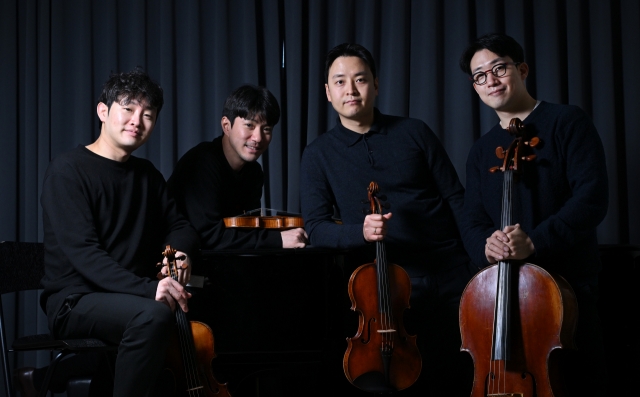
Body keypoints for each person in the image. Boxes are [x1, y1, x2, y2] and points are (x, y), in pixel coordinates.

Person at [300, 43, 476, 396]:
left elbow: (456, 198)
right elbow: (316, 228)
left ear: (376, 85)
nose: (350, 90)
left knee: (459, 377)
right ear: (327, 92)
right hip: (385, 292)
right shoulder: (318, 155)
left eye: (360, 79)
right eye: (340, 82)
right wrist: (359, 232)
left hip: (450, 275)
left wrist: (480, 264)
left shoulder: (415, 132)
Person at [31, 67, 199, 397]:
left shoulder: (147, 175)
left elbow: (180, 225)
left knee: (199, 306)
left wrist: (181, 252)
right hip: (75, 299)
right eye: (128, 108)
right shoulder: (67, 171)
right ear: (103, 111)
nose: (138, 120)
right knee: (152, 315)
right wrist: (151, 288)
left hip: (124, 296)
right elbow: (86, 256)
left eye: (147, 114)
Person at [459, 33, 608, 396]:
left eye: (499, 68)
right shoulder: (481, 152)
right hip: (504, 297)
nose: (490, 80)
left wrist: (536, 242)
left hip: (568, 291)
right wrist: (486, 245)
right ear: (475, 86)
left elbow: (592, 197)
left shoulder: (567, 122)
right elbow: (472, 220)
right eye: (480, 75)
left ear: (521, 69)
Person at [168, 85, 307, 250]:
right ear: (227, 126)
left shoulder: (254, 172)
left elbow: (248, 230)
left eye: (267, 129)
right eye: (249, 125)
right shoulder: (201, 164)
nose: (258, 137)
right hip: (184, 264)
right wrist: (278, 239)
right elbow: (209, 236)